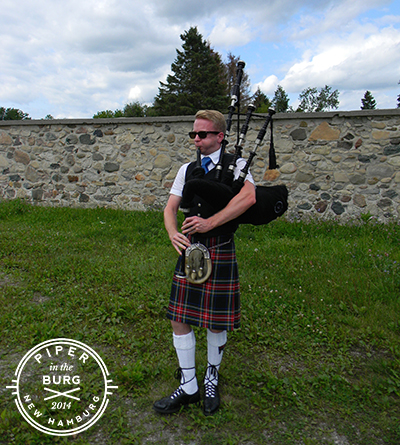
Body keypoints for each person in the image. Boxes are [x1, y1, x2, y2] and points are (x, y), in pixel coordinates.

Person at [153, 110, 256, 416]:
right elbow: (171, 207)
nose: (196, 140)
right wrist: (173, 233)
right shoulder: (188, 169)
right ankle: (189, 385)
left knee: (216, 320)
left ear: (220, 136)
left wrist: (211, 223)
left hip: (220, 245)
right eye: (193, 135)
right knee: (178, 316)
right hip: (191, 251)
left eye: (203, 134)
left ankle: (211, 375)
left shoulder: (237, 166)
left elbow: (248, 199)